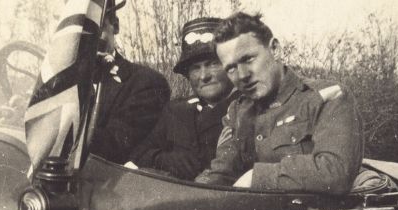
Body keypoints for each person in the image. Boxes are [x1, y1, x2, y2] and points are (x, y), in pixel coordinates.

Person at [195, 12, 363, 195]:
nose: (242, 75)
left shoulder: (326, 97)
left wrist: (256, 177)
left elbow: (336, 171)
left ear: (275, 49)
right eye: (231, 68)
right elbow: (222, 173)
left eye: (248, 59)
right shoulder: (238, 111)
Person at [129, 17, 237, 180]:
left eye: (212, 64)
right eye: (195, 68)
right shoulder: (176, 110)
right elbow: (140, 154)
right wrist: (170, 161)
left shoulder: (246, 107)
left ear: (230, 65)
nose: (204, 76)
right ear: (187, 75)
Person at [89, 0, 172, 164]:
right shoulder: (60, 85)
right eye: (81, 33)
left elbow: (117, 146)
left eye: (95, 29)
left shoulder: (146, 82)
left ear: (115, 26)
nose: (87, 40)